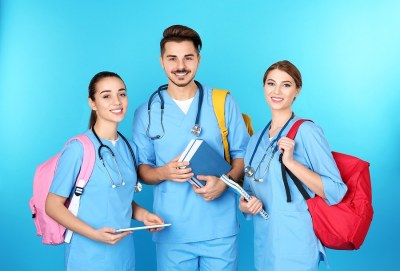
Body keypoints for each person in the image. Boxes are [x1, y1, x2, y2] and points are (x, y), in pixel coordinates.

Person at [132, 25, 249, 271]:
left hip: (219, 230)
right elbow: (142, 169)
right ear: (162, 61)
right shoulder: (146, 112)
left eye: (188, 57)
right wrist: (164, 172)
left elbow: (242, 156)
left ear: (198, 59)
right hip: (172, 228)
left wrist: (224, 182)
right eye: (172, 58)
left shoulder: (222, 102)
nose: (180, 66)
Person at [45, 71, 165, 271]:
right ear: (92, 103)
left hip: (124, 255)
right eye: (106, 96)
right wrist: (94, 234)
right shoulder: (79, 149)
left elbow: (118, 197)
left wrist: (144, 215)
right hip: (88, 255)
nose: (117, 101)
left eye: (122, 94)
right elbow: (52, 205)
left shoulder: (129, 148)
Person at [239, 60, 348, 270]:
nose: (277, 91)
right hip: (264, 242)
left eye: (286, 85)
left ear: (297, 90)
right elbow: (250, 190)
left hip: (296, 242)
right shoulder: (255, 140)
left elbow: (336, 190)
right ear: (264, 88)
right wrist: (244, 205)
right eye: (271, 83)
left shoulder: (307, 132)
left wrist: (290, 162)